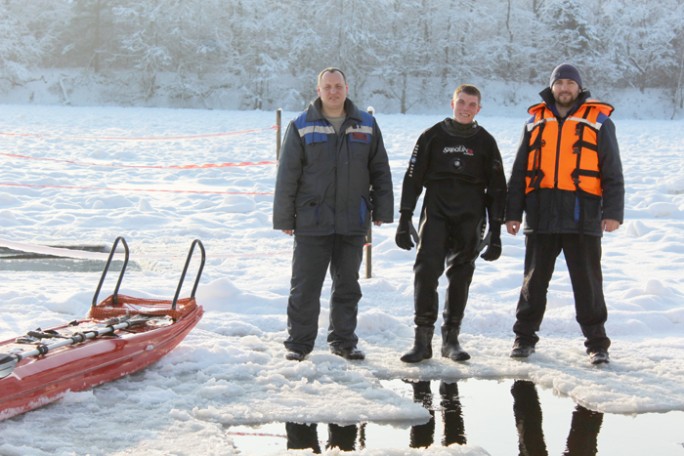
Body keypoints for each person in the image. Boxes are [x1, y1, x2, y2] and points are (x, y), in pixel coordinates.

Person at [505, 63, 624, 365]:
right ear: (552, 87)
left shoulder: (598, 121)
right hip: (541, 215)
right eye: (560, 83)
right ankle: (524, 338)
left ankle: (597, 343)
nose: (565, 88)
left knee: (587, 284)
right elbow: (519, 171)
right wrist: (512, 212)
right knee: (534, 282)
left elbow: (612, 171)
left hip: (582, 217)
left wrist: (612, 212)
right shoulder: (535, 121)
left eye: (571, 83)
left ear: (579, 88)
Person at [273, 67, 394, 362]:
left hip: (353, 220)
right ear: (318, 90)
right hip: (312, 221)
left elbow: (380, 169)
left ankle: (343, 341)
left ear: (346, 88)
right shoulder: (301, 125)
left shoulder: (366, 124)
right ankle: (299, 344)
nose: (333, 91)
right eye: (327, 87)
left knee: (347, 286)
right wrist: (285, 218)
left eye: (338, 86)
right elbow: (287, 174)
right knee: (305, 286)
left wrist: (383, 209)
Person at [396, 84, 506, 363]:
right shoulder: (432, 136)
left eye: (472, 104)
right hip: (436, 212)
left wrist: (495, 231)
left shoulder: (486, 142)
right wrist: (404, 217)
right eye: (461, 103)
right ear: (452, 103)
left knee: (460, 274)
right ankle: (422, 341)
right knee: (425, 271)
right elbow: (413, 178)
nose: (466, 108)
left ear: (479, 109)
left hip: (470, 215)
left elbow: (497, 189)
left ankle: (451, 339)